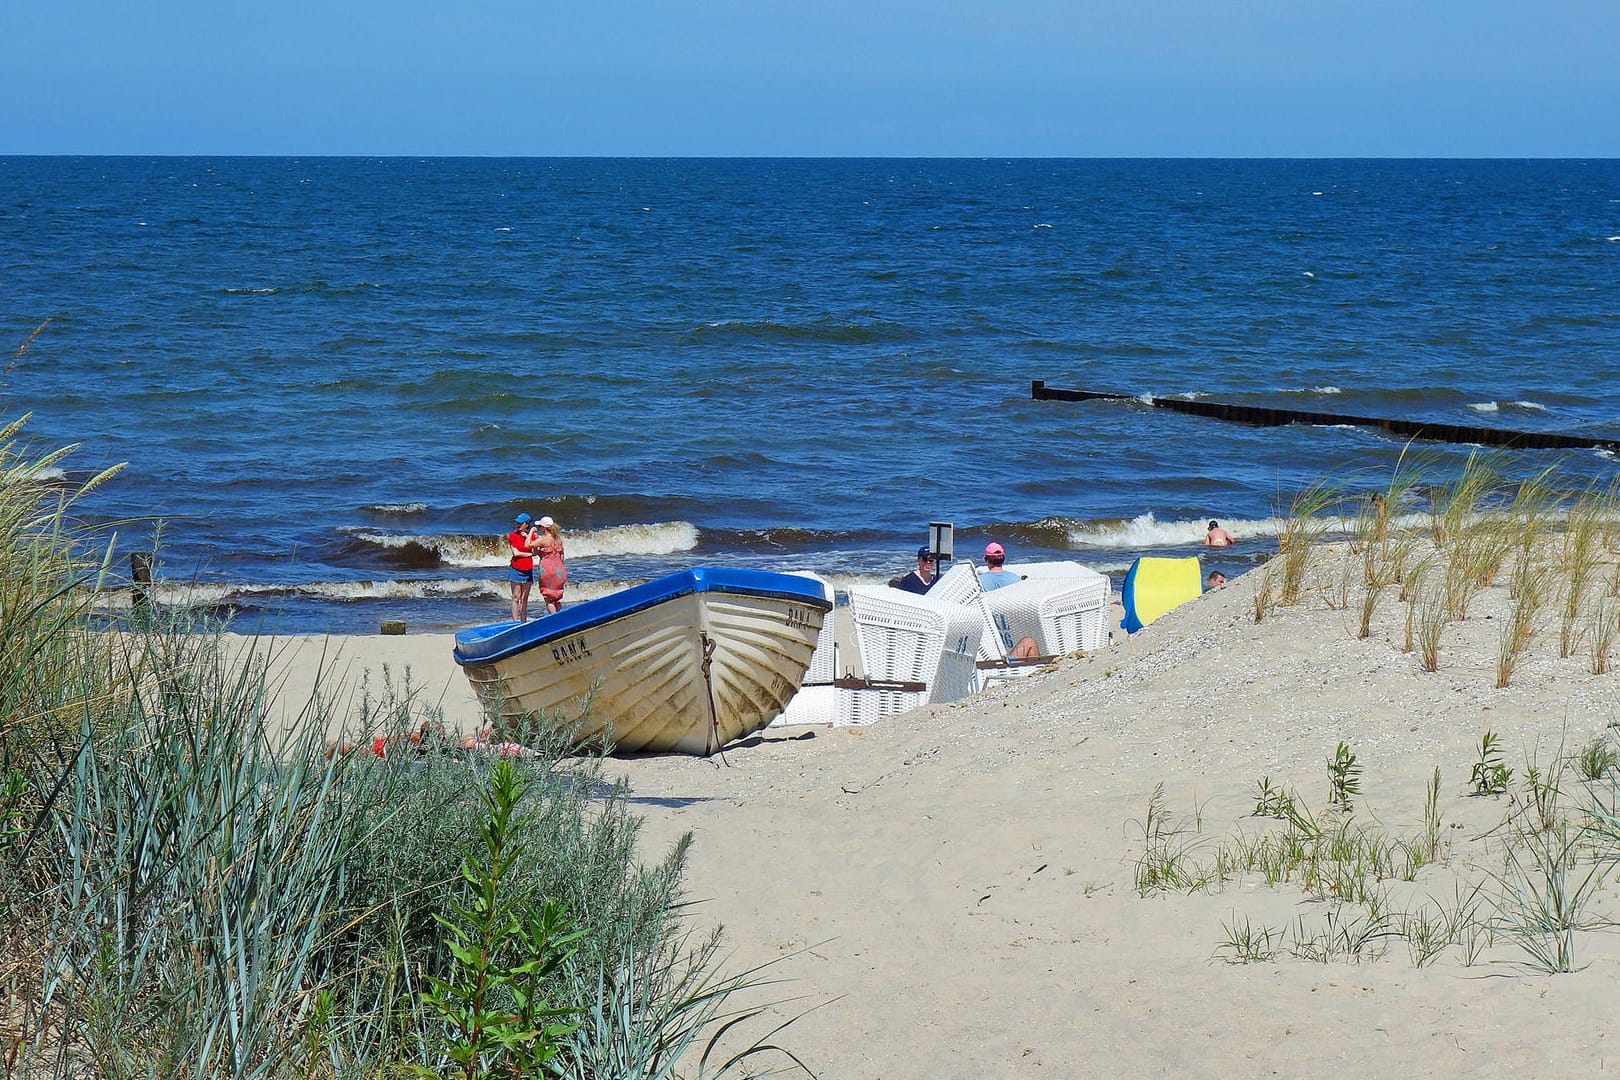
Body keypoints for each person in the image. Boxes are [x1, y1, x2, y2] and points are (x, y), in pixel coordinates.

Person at [506, 512, 540, 621]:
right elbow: (516, 553)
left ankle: (523, 620)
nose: (517, 525)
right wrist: (530, 554)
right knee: (516, 597)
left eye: (520, 523)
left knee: (524, 598)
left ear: (526, 524)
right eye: (517, 523)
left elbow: (536, 551)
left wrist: (528, 538)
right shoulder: (512, 535)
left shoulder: (532, 536)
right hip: (516, 568)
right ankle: (515, 621)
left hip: (527, 569)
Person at [534, 514, 567, 614]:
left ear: (544, 528)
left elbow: (531, 548)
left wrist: (531, 535)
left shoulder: (544, 539)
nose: (539, 529)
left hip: (547, 571)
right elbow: (562, 557)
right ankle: (559, 617)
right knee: (556, 598)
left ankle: (554, 619)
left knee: (548, 599)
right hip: (560, 571)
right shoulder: (558, 540)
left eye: (540, 527)